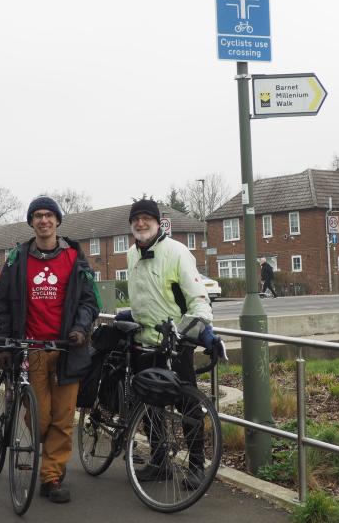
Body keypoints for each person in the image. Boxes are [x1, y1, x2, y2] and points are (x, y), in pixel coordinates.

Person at [0, 196, 99, 504]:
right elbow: (1, 302)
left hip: (68, 349)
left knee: (63, 419)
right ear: (31, 222)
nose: (43, 220)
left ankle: (51, 477)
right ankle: (46, 453)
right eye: (37, 215)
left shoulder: (74, 258)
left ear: (57, 221)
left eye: (49, 215)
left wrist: (80, 330)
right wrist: (4, 343)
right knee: (40, 419)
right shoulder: (17, 259)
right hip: (31, 349)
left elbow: (89, 301)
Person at [119, 198, 218, 488]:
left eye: (146, 218)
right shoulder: (130, 254)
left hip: (174, 343)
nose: (140, 223)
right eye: (135, 219)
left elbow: (199, 300)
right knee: (147, 403)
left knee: (186, 404)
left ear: (157, 222)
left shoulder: (177, 252)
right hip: (143, 341)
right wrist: (130, 314)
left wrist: (201, 332)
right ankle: (160, 461)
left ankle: (197, 466)